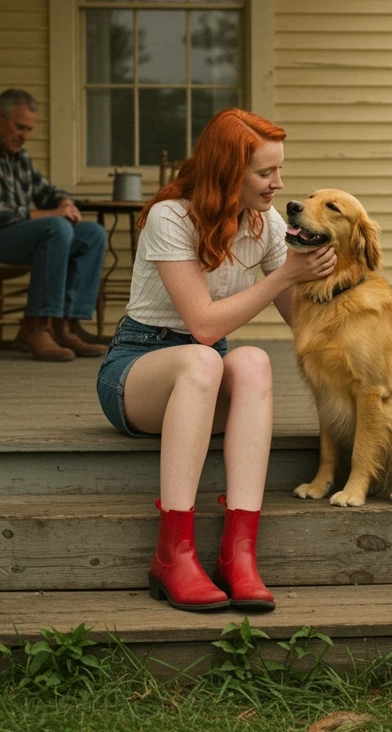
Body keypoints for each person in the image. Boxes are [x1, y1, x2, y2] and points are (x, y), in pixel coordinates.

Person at [95, 108, 335, 613]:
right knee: (204, 359)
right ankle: (173, 555)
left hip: (204, 375)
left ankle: (238, 554)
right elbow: (203, 325)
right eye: (266, 172)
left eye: (279, 169)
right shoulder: (171, 217)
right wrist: (283, 276)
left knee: (251, 362)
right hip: (138, 369)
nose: (279, 183)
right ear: (230, 171)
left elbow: (305, 324)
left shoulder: (266, 224)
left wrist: (339, 277)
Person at [0, 89, 108, 362]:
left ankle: (64, 326)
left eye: (29, 129)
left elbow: (47, 191)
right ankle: (35, 326)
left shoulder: (18, 157)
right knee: (56, 227)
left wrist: (65, 202)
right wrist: (49, 214)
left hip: (11, 240)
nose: (25, 135)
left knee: (92, 233)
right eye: (20, 127)